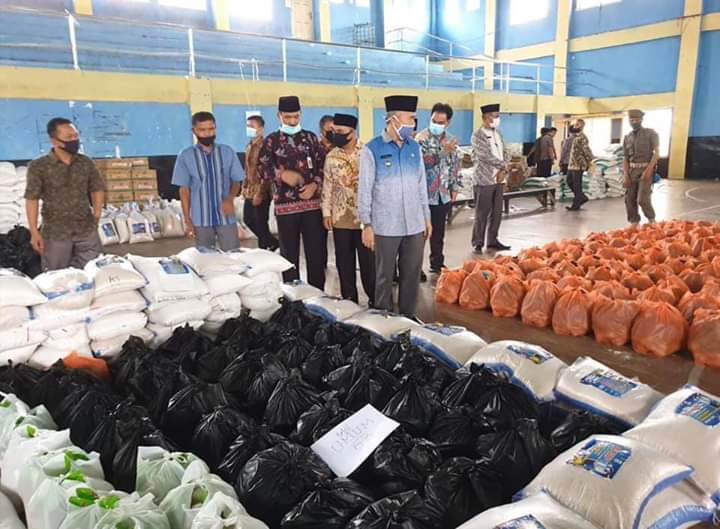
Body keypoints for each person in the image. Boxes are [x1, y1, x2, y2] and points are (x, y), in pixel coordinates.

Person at [359, 95, 431, 318]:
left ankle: (408, 316)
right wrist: (367, 224)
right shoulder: (372, 149)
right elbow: (364, 189)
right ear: (393, 119)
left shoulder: (414, 148)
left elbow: (421, 186)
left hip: (414, 224)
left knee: (411, 274)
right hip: (385, 226)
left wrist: (426, 217)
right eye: (410, 118)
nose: (413, 124)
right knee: (384, 276)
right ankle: (384, 318)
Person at [258, 96, 327, 288]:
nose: (292, 121)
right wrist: (281, 174)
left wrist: (315, 185)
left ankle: (317, 294)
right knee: (289, 255)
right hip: (285, 209)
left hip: (312, 207)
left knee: (316, 253)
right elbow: (262, 169)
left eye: (296, 117)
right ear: (279, 116)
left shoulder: (311, 139)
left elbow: (324, 167)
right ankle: (292, 295)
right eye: (287, 117)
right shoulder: (271, 141)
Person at [24, 117, 105, 271]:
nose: (74, 140)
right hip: (56, 234)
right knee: (57, 276)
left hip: (86, 231)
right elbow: (32, 199)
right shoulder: (39, 166)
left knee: (95, 272)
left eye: (76, 136)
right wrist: (34, 232)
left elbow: (97, 188)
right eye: (69, 137)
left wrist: (97, 215)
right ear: (55, 141)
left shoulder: (85, 163)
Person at [321, 113, 375, 306]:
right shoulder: (331, 156)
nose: (336, 135)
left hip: (364, 218)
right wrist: (326, 212)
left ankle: (374, 299)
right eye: (334, 131)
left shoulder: (367, 152)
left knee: (369, 263)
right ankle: (349, 301)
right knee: (344, 262)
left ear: (352, 132)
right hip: (340, 217)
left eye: (340, 131)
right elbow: (327, 185)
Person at [172, 111, 244, 250]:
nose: (207, 133)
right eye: (202, 130)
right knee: (206, 257)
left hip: (225, 216)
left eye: (211, 129)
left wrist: (229, 199)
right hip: (201, 218)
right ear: (194, 131)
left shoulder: (227, 152)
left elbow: (236, 181)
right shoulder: (186, 156)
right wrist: (187, 220)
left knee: (233, 254)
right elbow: (184, 190)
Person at [416, 102, 461, 274]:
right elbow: (421, 164)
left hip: (443, 194)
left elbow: (455, 165)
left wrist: (454, 187)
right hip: (424, 194)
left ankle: (437, 263)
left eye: (440, 122)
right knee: (420, 234)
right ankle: (415, 268)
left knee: (438, 233)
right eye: (434, 121)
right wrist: (443, 152)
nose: (436, 124)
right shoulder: (421, 139)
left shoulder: (451, 139)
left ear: (448, 122)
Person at [471, 103, 511, 253]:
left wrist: (504, 169)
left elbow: (506, 152)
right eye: (493, 116)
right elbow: (484, 155)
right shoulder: (478, 135)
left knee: (497, 212)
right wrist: (503, 166)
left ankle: (493, 240)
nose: (496, 119)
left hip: (499, 179)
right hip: (484, 179)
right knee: (482, 212)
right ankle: (478, 242)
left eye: (497, 116)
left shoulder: (498, 134)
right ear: (485, 118)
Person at [242, 115, 279, 250]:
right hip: (250, 189)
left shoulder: (265, 147)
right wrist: (244, 186)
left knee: (260, 221)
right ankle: (273, 242)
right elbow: (247, 168)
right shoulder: (249, 146)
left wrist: (261, 192)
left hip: (262, 189)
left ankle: (265, 248)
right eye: (248, 126)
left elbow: (268, 171)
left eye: (252, 126)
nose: (249, 129)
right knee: (248, 219)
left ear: (261, 129)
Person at [623, 109, 659, 225]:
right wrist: (626, 176)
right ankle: (634, 222)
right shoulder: (627, 137)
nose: (634, 122)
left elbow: (656, 153)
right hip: (632, 171)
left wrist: (649, 170)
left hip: (646, 169)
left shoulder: (651, 133)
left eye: (636, 119)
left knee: (642, 199)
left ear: (641, 119)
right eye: (631, 119)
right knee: (629, 199)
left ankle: (652, 220)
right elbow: (625, 158)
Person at [566, 118, 593, 211]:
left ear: (582, 126)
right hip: (571, 164)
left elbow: (586, 150)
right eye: (575, 124)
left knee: (577, 185)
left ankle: (576, 204)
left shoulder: (582, 137)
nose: (575, 126)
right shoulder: (574, 136)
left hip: (579, 164)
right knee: (569, 181)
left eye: (577, 125)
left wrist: (590, 161)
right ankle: (581, 197)